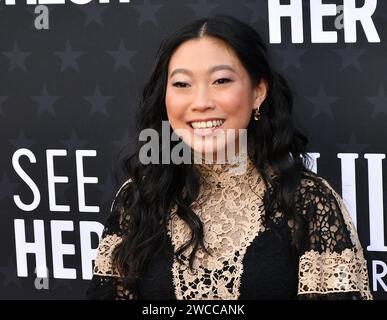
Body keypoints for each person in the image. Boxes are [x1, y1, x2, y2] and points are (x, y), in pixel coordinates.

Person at [86, 15, 372, 300]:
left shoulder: (308, 202)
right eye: (182, 84)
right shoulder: (139, 197)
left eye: (221, 80)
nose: (201, 103)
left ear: (258, 92)